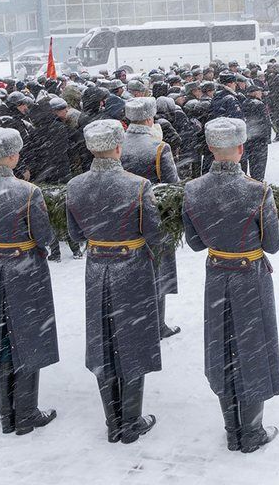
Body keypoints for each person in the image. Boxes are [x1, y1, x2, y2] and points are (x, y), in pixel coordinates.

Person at [182, 117, 279, 453]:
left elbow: (195, 243)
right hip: (250, 276)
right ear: (240, 149)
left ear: (211, 148)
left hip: (217, 274)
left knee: (222, 348)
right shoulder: (258, 190)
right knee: (251, 348)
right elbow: (274, 244)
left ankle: (231, 429)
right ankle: (251, 432)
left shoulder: (192, 189)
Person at [66, 120, 162, 445]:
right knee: (132, 340)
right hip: (131, 267)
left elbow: (75, 234)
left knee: (103, 342)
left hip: (96, 267)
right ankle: (131, 421)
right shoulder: (138, 185)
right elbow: (154, 233)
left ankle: (113, 421)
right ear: (119, 147)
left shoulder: (75, 185)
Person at [0, 128, 59, 435]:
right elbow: (44, 236)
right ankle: (27, 413)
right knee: (28, 338)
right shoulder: (27, 191)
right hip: (26, 267)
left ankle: (7, 415)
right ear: (13, 155)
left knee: (1, 338)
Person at [120, 98, 181, 339]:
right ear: (149, 118)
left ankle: (131, 317)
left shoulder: (117, 145)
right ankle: (157, 324)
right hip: (154, 217)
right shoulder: (159, 147)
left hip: (122, 218)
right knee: (157, 272)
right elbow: (172, 187)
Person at [242, 83, 271, 180]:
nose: (261, 93)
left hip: (248, 138)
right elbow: (265, 123)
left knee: (247, 164)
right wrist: (266, 138)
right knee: (258, 169)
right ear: (254, 93)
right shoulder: (259, 104)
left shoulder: (244, 103)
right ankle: (257, 187)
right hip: (259, 140)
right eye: (259, 91)